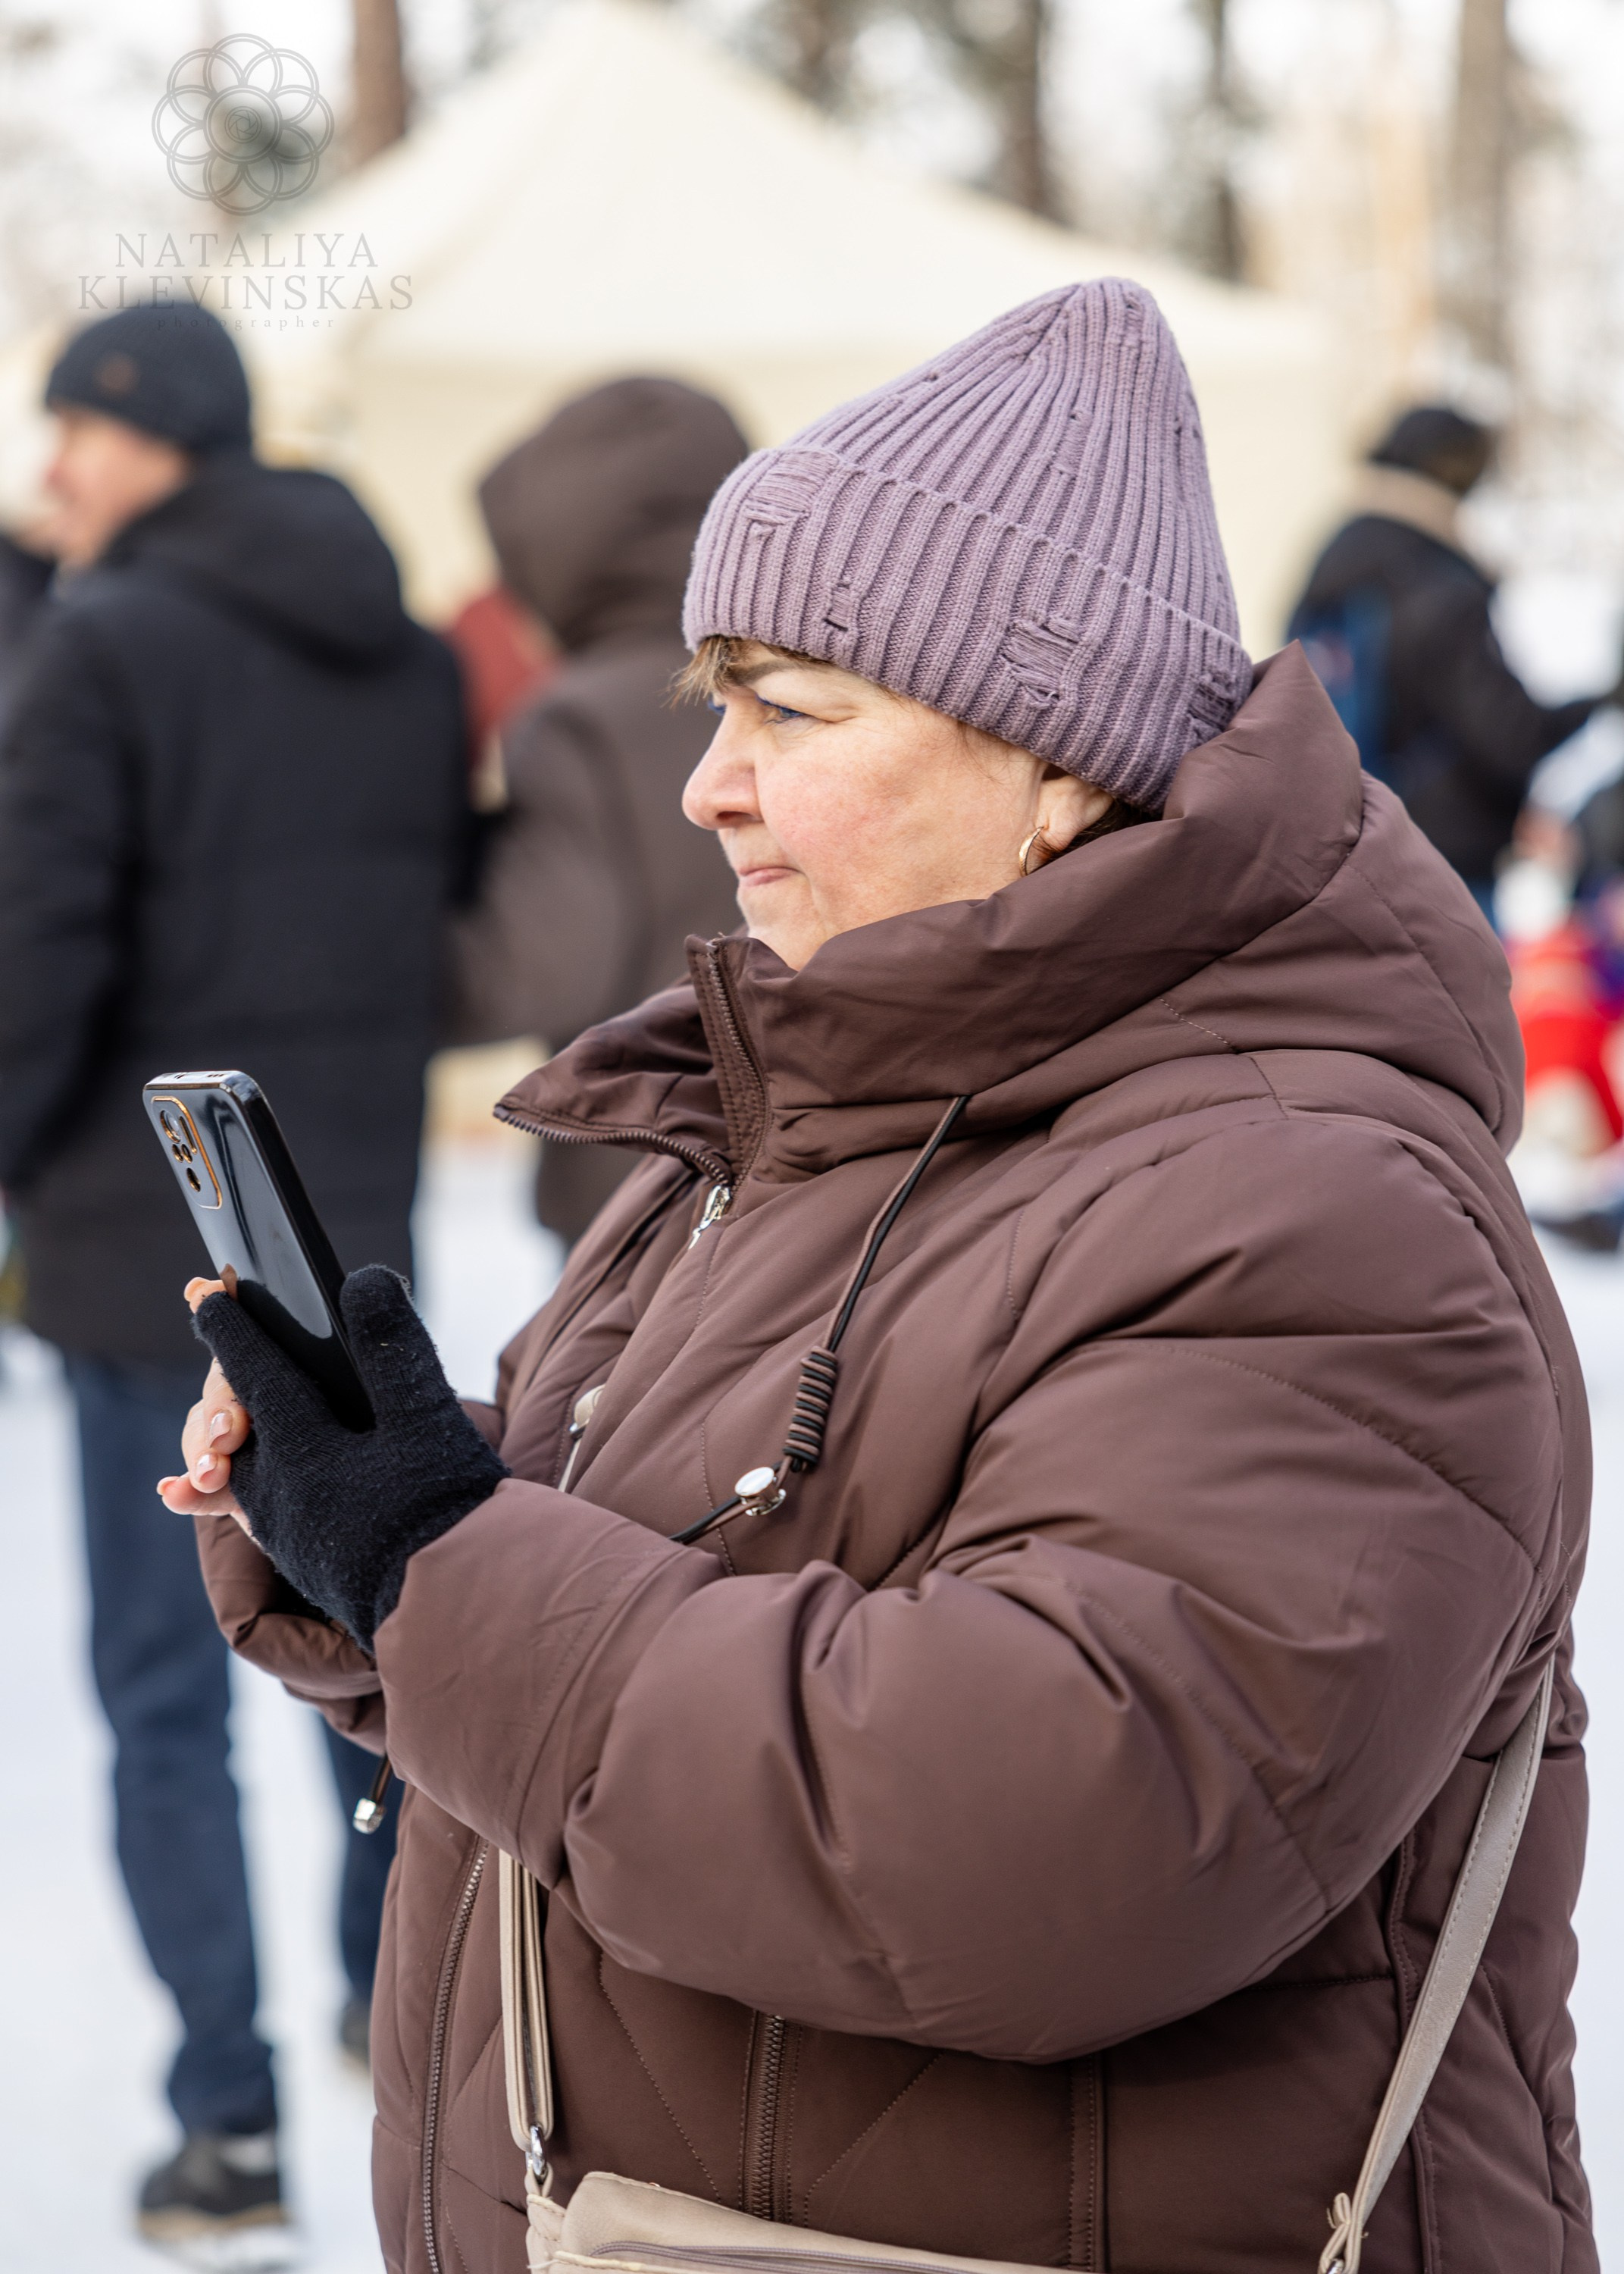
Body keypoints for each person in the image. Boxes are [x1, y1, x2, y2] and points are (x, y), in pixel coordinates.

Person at [166, 283, 1591, 2273]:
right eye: (713, 704)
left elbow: (1044, 1842)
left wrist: (442, 1564)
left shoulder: (1318, 1213)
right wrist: (368, 1508)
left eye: (791, 710)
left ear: (1057, 764)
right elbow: (690, 1598)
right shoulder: (805, 1107)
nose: (708, 784)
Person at [0, 304, 468, 2257]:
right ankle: (392, 2011)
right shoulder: (408, 652)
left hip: (144, 1254)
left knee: (162, 1692)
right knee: (367, 1650)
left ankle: (228, 2124)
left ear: (159, 434)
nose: (51, 473)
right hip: (351, 1249)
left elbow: (35, 956)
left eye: (76, 432)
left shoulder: (100, 640)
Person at [446, 376, 747, 1242]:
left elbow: (540, 966)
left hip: (641, 1184)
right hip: (805, 1165)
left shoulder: (578, 719)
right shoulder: (790, 688)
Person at [1290, 402, 1618, 913]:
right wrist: (1601, 701)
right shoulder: (1435, 577)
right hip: (1438, 862)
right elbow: (1509, 737)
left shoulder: (1336, 560)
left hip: (1338, 845)